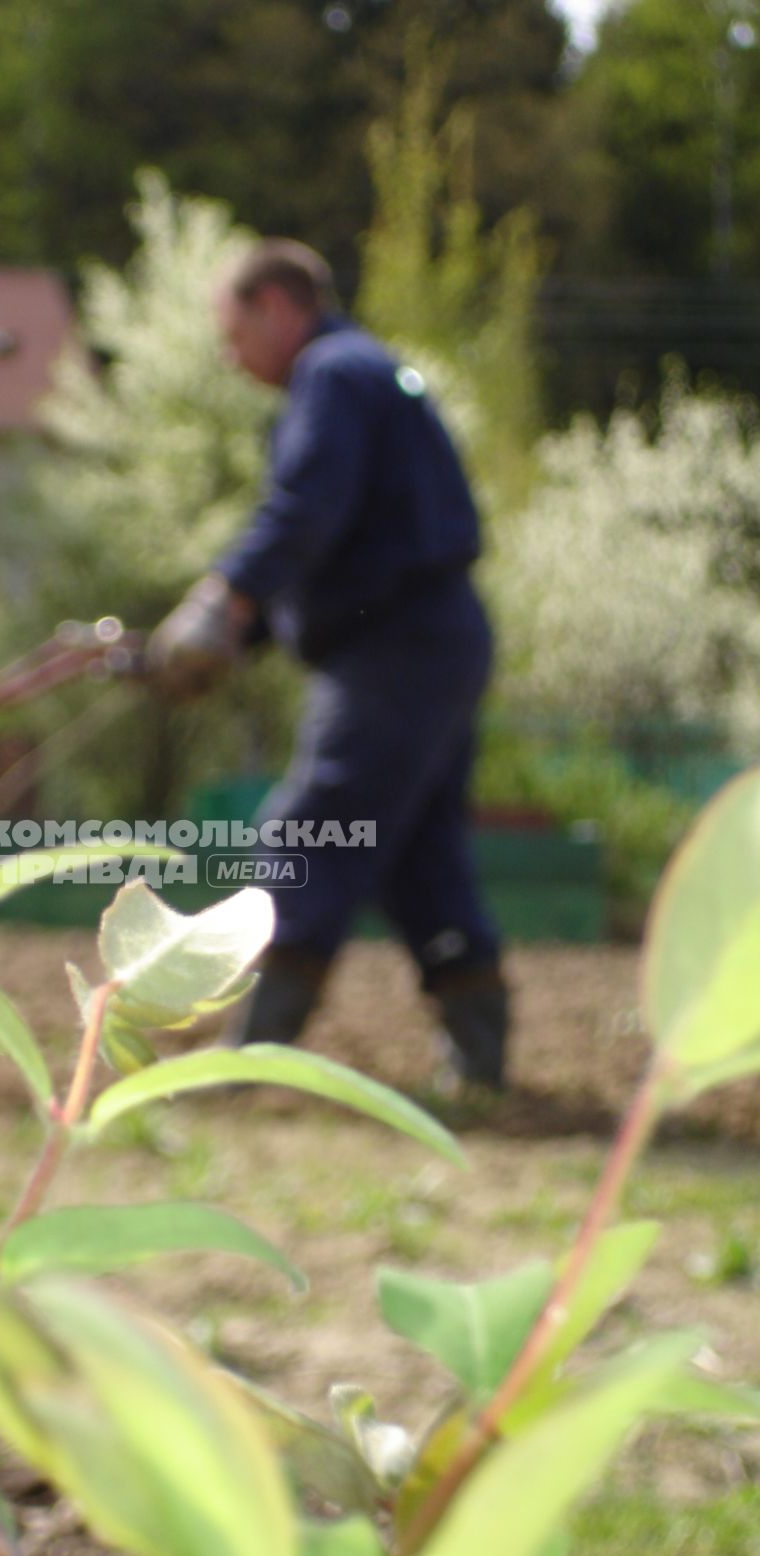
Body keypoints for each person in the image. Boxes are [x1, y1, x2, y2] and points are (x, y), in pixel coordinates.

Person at [148, 238, 509, 1089]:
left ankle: (254, 1048)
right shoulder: (370, 373)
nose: (233, 360)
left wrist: (222, 602)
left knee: (313, 826)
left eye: (234, 335)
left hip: (397, 648)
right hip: (434, 635)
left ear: (277, 304)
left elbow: (306, 507)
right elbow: (349, 547)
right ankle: (480, 1054)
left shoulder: (333, 375)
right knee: (421, 855)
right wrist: (246, 630)